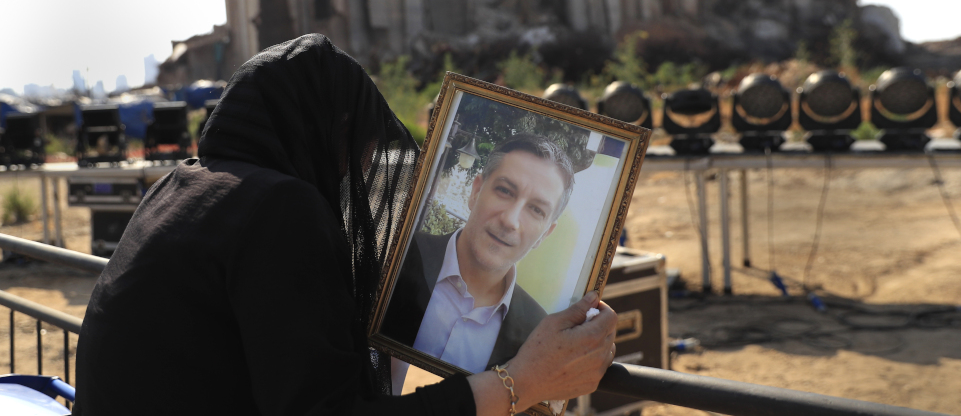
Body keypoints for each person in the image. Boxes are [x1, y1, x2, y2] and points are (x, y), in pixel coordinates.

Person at [72, 34, 617, 416]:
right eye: (358, 154)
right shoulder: (279, 208)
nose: (357, 175)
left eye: (539, 209)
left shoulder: (182, 186)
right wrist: (519, 384)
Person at [382, 134, 574, 377]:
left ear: (545, 234)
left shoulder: (540, 335)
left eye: (536, 210)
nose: (510, 220)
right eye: (504, 190)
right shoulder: (394, 256)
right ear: (475, 191)